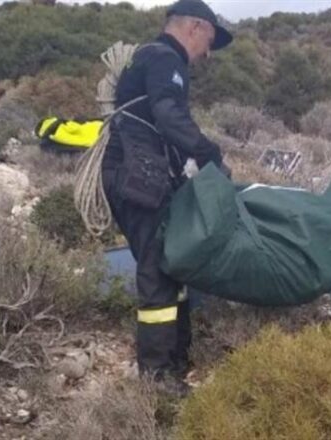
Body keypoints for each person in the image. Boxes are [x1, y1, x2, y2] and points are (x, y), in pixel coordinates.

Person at [101, 0, 232, 392]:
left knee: (170, 261)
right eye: (210, 40)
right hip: (137, 175)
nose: (208, 53)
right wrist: (209, 153)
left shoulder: (150, 58)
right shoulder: (164, 59)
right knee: (158, 266)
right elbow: (169, 115)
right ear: (195, 27)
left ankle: (175, 358)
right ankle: (157, 375)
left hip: (138, 173)